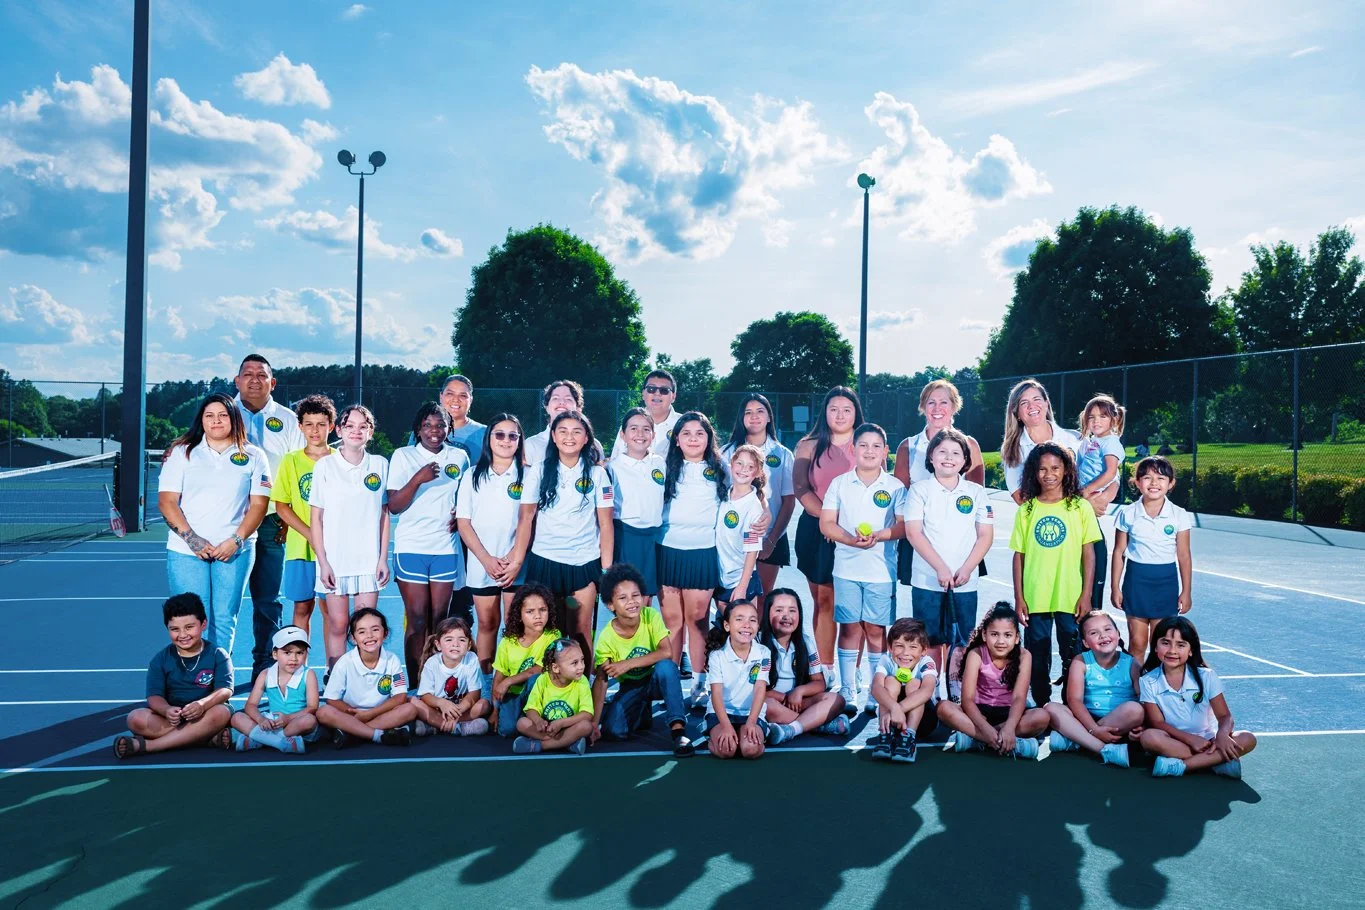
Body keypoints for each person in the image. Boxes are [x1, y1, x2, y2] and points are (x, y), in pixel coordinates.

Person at [157, 392, 269, 660]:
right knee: (190, 619)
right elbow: (167, 501)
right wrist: (192, 539)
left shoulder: (254, 456)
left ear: (233, 418)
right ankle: (193, 681)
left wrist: (236, 541)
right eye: (209, 415)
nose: (216, 421)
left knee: (224, 616)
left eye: (222, 415)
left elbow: (258, 506)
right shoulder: (182, 453)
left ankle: (217, 680)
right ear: (201, 420)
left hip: (235, 551)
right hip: (186, 552)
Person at [820, 422, 904, 716]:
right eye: (863, 445)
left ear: (885, 452)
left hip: (881, 572)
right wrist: (853, 542)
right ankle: (848, 689)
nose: (869, 451)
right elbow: (826, 523)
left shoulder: (895, 487)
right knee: (849, 628)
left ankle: (874, 689)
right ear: (853, 449)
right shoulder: (839, 484)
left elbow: (903, 526)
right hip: (845, 570)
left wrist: (878, 536)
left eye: (876, 446)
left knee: (876, 631)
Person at [1009, 442, 1101, 707]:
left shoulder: (1079, 507)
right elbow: (1019, 556)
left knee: (1072, 655)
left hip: (1070, 597)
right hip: (1035, 596)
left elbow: (1089, 554)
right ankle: (1043, 706)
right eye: (1042, 469)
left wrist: (1087, 595)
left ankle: (1073, 708)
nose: (1049, 474)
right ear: (1033, 473)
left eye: (1055, 468)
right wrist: (1019, 597)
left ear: (1066, 470)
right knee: (1037, 657)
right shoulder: (1027, 510)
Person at [521, 410, 614, 666]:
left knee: (581, 628)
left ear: (586, 439)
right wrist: (518, 559)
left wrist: (606, 570)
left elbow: (606, 525)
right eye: (562, 431)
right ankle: (550, 692)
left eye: (576, 431)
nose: (569, 437)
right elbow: (526, 518)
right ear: (553, 436)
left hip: (584, 563)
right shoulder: (539, 471)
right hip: (545, 561)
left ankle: (582, 690)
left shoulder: (597, 475)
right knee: (549, 630)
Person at [233, 354, 306, 678]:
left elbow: (300, 469)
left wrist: (291, 519)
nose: (254, 380)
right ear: (237, 381)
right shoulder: (221, 414)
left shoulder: (289, 420)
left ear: (272, 382)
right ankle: (214, 669)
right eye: (247, 374)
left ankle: (264, 663)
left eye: (261, 375)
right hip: (229, 522)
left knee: (267, 599)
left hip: (273, 521)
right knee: (224, 602)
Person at [388, 402, 469, 686]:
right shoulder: (403, 456)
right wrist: (417, 479)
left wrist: (461, 516)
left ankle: (436, 683)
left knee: (440, 621)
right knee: (417, 620)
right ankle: (414, 686)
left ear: (449, 428)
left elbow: (467, 498)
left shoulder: (459, 457)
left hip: (445, 547)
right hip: (412, 547)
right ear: (418, 429)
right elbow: (394, 505)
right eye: (427, 425)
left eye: (440, 425)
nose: (434, 432)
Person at [903, 428, 993, 676]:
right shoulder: (920, 490)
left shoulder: (976, 492)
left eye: (956, 453)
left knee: (961, 644)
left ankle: (954, 697)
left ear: (965, 460)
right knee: (929, 642)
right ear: (931, 456)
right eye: (942, 451)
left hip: (965, 583)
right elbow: (914, 533)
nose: (948, 457)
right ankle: (931, 696)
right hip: (927, 581)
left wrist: (966, 569)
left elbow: (985, 536)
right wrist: (940, 568)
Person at [310, 404, 391, 670]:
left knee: (367, 627)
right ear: (339, 430)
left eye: (363, 426)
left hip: (368, 562)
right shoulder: (324, 465)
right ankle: (334, 677)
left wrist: (382, 559)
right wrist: (323, 562)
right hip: (335, 561)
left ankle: (365, 678)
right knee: (338, 625)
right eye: (350, 426)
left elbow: (384, 515)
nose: (356, 431)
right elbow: (316, 519)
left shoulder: (380, 464)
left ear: (370, 432)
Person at [659, 411, 729, 708]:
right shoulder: (662, 468)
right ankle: (671, 685)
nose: (693, 439)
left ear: (708, 438)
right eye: (686, 433)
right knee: (672, 623)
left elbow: (749, 490)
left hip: (703, 552)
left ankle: (700, 686)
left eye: (699, 433)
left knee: (697, 621)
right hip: (667, 552)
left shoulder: (721, 468)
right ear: (676, 439)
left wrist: (763, 510)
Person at [793, 386, 862, 681]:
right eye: (834, 409)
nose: (840, 415)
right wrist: (830, 523)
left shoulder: (866, 443)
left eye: (847, 409)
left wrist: (847, 531)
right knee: (823, 602)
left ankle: (852, 673)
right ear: (825, 412)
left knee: (851, 606)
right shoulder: (808, 445)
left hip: (856, 535)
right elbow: (801, 488)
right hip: (817, 530)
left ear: (856, 413)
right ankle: (826, 669)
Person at [456, 413, 532, 677]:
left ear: (519, 441)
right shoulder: (471, 475)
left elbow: (530, 521)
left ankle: (512, 684)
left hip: (516, 565)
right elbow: (463, 523)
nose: (506, 440)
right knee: (487, 623)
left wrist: (514, 558)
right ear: (489, 438)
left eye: (513, 435)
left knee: (515, 626)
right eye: (499, 434)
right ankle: (486, 686)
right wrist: (486, 560)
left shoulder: (529, 475)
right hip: (482, 564)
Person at [590, 564, 694, 756]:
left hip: (655, 680)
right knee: (614, 731)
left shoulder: (650, 616)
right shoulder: (606, 638)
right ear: (610, 605)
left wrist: (626, 664)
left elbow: (666, 652)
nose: (631, 602)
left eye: (635, 595)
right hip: (631, 685)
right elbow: (601, 681)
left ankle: (678, 732)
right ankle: (641, 711)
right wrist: (594, 724)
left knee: (667, 667)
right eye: (623, 598)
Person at [114, 593, 234, 758]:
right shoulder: (160, 659)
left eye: (189, 627)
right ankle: (204, 739)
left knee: (221, 713)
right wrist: (166, 709)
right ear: (167, 628)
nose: (183, 635)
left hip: (205, 715)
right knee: (136, 718)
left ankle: (149, 746)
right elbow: (154, 696)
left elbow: (225, 690)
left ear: (203, 624)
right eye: (175, 629)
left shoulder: (218, 654)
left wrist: (202, 704)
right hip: (171, 719)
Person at [892, 379, 986, 586]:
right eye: (930, 402)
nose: (937, 408)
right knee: (925, 607)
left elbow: (977, 496)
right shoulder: (908, 446)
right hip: (920, 540)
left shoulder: (969, 445)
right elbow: (900, 500)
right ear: (923, 407)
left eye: (943, 402)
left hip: (959, 542)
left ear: (954, 406)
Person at [1140, 616, 1256, 778]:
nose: (1172, 650)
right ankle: (1215, 761)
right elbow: (1157, 723)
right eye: (1165, 643)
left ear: (1191, 650)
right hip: (1176, 741)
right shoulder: (1148, 681)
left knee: (1247, 738)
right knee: (1149, 737)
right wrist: (1190, 739)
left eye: (1181, 645)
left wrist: (1222, 736)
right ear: (1155, 647)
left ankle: (1182, 766)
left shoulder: (1207, 676)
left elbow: (1224, 716)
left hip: (1209, 741)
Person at [936, 602, 1050, 759]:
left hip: (1009, 714)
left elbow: (1019, 698)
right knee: (943, 708)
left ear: (1017, 637)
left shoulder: (1024, 656)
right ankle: (1004, 742)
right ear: (984, 635)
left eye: (1007, 635)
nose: (1001, 641)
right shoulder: (976, 654)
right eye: (994, 634)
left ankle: (977, 740)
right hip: (978, 713)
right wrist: (987, 730)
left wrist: (1009, 727)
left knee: (1042, 717)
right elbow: (967, 700)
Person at [1111, 456, 1193, 660]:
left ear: (1171, 483)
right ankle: (1135, 690)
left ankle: (1157, 691)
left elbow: (1184, 555)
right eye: (1147, 478)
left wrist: (1187, 591)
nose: (1154, 483)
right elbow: (1119, 552)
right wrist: (1115, 587)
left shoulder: (1179, 515)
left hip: (1166, 584)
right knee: (1137, 643)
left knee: (1160, 644)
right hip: (1136, 582)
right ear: (1137, 482)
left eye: (1161, 478)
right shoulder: (1128, 513)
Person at [271, 394, 336, 650]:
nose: (315, 430)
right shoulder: (291, 460)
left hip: (333, 550)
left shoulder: (340, 460)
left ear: (331, 426)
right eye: (309, 424)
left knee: (332, 610)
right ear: (300, 427)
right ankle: (298, 668)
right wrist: (311, 534)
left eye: (321, 424)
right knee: (302, 607)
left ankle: (334, 667)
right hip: (301, 547)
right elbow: (281, 505)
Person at [721, 393, 796, 595]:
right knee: (731, 597)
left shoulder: (783, 454)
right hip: (731, 536)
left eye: (760, 411)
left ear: (769, 417)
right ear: (741, 418)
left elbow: (789, 502)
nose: (754, 416)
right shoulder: (726, 453)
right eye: (748, 412)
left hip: (769, 537)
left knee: (762, 597)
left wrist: (771, 541)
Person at [1044, 611, 1140, 767]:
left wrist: (1142, 725)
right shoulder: (1081, 661)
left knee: (1136, 710)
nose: (1103, 635)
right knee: (1050, 708)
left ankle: (1076, 740)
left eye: (1108, 629)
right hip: (1086, 720)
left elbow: (1142, 698)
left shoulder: (1132, 663)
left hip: (1119, 723)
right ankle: (1103, 749)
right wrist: (1093, 729)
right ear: (1086, 643)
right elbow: (1074, 700)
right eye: (1094, 633)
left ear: (1118, 633)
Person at [758, 588, 848, 745]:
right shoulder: (757, 643)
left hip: (798, 702)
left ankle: (791, 729)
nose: (786, 616)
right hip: (773, 700)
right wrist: (783, 698)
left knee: (837, 700)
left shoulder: (805, 642)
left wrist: (799, 691)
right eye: (779, 610)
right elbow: (752, 686)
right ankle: (819, 724)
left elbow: (819, 682)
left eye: (792, 610)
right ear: (767, 614)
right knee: (762, 704)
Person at [316, 608, 416, 747]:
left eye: (375, 629)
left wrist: (370, 714)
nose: (369, 635)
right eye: (361, 632)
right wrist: (355, 714)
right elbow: (332, 699)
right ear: (353, 638)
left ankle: (353, 734)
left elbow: (400, 697)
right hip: (351, 714)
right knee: (323, 712)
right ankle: (378, 735)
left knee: (409, 710)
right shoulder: (345, 662)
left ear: (385, 633)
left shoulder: (392, 660)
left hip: (380, 713)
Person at [227, 624, 319, 753]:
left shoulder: (308, 674)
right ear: (275, 654)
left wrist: (288, 718)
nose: (294, 658)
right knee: (236, 718)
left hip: (295, 723)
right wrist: (261, 720)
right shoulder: (265, 674)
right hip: (272, 722)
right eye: (287, 652)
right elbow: (251, 705)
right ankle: (281, 743)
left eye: (300, 652)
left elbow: (312, 708)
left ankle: (259, 739)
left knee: (310, 720)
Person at [607, 408, 668, 601]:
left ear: (653, 434)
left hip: (653, 538)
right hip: (626, 536)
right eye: (633, 429)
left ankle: (645, 633)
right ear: (623, 435)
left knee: (647, 599)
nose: (640, 434)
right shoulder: (612, 467)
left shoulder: (660, 463)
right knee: (627, 599)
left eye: (646, 429)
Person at [703, 600, 771, 760]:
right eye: (739, 619)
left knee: (750, 750)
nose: (747, 625)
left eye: (752, 620)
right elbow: (716, 694)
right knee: (727, 750)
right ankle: (711, 738)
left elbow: (760, 688)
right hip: (722, 713)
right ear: (727, 626)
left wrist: (752, 722)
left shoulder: (763, 653)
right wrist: (726, 726)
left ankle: (758, 733)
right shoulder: (717, 656)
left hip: (751, 713)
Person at [1077, 393, 1127, 609]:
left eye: (1103, 417)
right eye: (1092, 417)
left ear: (1114, 420)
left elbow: (1110, 474)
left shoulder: (1111, 442)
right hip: (1082, 498)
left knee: (1091, 541)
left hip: (1090, 496)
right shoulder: (1089, 442)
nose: (1096, 421)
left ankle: (1093, 600)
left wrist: (1086, 492)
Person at [491, 584, 562, 737]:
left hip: (540, 695)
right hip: (515, 695)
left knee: (536, 679)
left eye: (543, 610)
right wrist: (495, 711)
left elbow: (538, 669)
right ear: (519, 615)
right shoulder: (508, 642)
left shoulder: (553, 636)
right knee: (507, 730)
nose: (538, 616)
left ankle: (540, 725)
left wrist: (509, 681)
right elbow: (498, 678)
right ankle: (530, 728)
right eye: (530, 612)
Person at [1000, 379, 1082, 505]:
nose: (1031, 406)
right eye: (1024, 403)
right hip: (1043, 521)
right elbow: (1020, 498)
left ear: (1046, 404)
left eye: (1036, 399)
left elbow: (1105, 469)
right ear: (1016, 414)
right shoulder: (1013, 451)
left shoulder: (1075, 438)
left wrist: (1100, 497)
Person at [869, 618, 938, 763]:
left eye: (913, 647)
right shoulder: (886, 659)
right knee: (890, 681)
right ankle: (886, 734)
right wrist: (894, 708)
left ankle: (909, 738)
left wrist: (898, 708)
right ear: (890, 647)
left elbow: (927, 691)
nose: (905, 653)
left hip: (924, 722)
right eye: (899, 646)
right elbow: (875, 688)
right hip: (893, 719)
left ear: (924, 650)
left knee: (915, 684)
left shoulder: (927, 663)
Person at [411, 616, 491, 736]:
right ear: (438, 645)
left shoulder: (471, 659)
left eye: (462, 640)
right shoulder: (432, 663)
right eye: (449, 640)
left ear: (469, 645)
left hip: (460, 710)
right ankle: (457, 728)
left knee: (483, 705)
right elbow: (425, 696)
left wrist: (458, 710)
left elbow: (474, 693)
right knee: (413, 701)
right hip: (437, 708)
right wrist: (441, 703)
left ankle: (436, 727)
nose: (455, 644)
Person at [513, 637, 595, 755]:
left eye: (582, 660)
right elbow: (531, 708)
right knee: (522, 723)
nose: (581, 666)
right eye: (575, 663)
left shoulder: (582, 681)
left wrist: (561, 723)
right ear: (555, 668)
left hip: (568, 727)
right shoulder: (542, 680)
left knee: (586, 726)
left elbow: (587, 714)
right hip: (546, 729)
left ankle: (541, 745)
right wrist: (538, 721)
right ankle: (568, 743)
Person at [714, 444, 768, 610]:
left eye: (751, 466)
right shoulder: (723, 495)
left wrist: (742, 587)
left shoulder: (754, 507)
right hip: (721, 576)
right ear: (731, 464)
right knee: (724, 629)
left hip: (741, 580)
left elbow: (752, 550)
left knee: (743, 630)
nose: (744, 469)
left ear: (758, 472)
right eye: (740, 463)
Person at [525, 380, 603, 468]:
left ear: (578, 408)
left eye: (568, 399)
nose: (561, 402)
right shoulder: (531, 445)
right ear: (547, 407)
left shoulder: (593, 445)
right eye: (555, 398)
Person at [613, 368, 682, 457]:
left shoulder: (684, 425)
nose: (657, 393)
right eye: (651, 389)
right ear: (643, 394)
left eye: (664, 390)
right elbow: (616, 460)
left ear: (673, 396)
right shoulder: (629, 424)